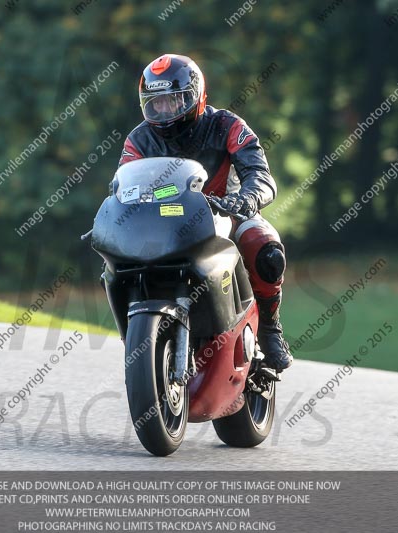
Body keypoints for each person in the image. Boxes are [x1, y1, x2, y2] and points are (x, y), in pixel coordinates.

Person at [118, 53, 293, 373]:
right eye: (156, 103)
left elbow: (260, 174)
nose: (165, 110)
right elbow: (122, 187)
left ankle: (270, 329)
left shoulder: (227, 125)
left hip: (225, 211)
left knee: (264, 246)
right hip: (165, 221)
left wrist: (247, 198)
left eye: (173, 101)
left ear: (196, 97)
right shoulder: (139, 139)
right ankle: (140, 332)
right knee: (116, 261)